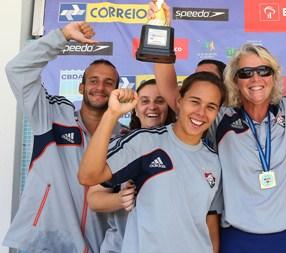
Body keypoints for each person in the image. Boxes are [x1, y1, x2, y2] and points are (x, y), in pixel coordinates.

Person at [154, 0, 286, 252]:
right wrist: (161, 28)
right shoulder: (219, 117)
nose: (255, 78)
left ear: (274, 75)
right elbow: (171, 91)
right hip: (239, 239)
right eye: (246, 73)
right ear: (235, 80)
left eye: (263, 70)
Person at [3, 22, 121, 253]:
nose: (100, 87)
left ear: (117, 90)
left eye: (109, 83)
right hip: (45, 243)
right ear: (81, 87)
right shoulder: (50, 114)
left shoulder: (123, 140)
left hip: (97, 247)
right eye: (94, 80)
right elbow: (17, 70)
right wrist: (63, 35)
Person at [78, 72, 226, 253]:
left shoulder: (213, 161)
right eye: (195, 101)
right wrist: (112, 114)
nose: (201, 112)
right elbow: (88, 176)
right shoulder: (144, 142)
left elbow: (209, 223)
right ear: (179, 101)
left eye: (211, 106)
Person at [87, 78, 176, 253]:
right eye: (145, 101)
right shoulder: (121, 145)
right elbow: (93, 199)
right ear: (135, 107)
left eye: (160, 101)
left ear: (170, 106)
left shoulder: (183, 148)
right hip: (120, 248)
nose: (152, 107)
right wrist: (119, 199)